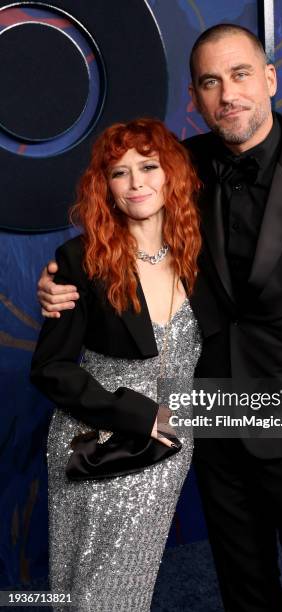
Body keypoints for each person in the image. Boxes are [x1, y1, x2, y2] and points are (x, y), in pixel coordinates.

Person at [37, 25, 282, 612]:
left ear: (270, 79)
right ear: (197, 101)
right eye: (210, 82)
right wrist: (56, 282)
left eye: (241, 74)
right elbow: (120, 226)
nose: (228, 94)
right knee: (243, 588)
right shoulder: (178, 166)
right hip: (209, 414)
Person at [30, 117, 210, 611]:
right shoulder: (79, 259)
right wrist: (140, 415)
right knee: (87, 589)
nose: (136, 184)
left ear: (171, 172)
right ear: (103, 187)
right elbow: (50, 367)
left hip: (172, 439)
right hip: (97, 435)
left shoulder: (201, 251)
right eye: (119, 172)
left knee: (125, 586)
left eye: (148, 166)